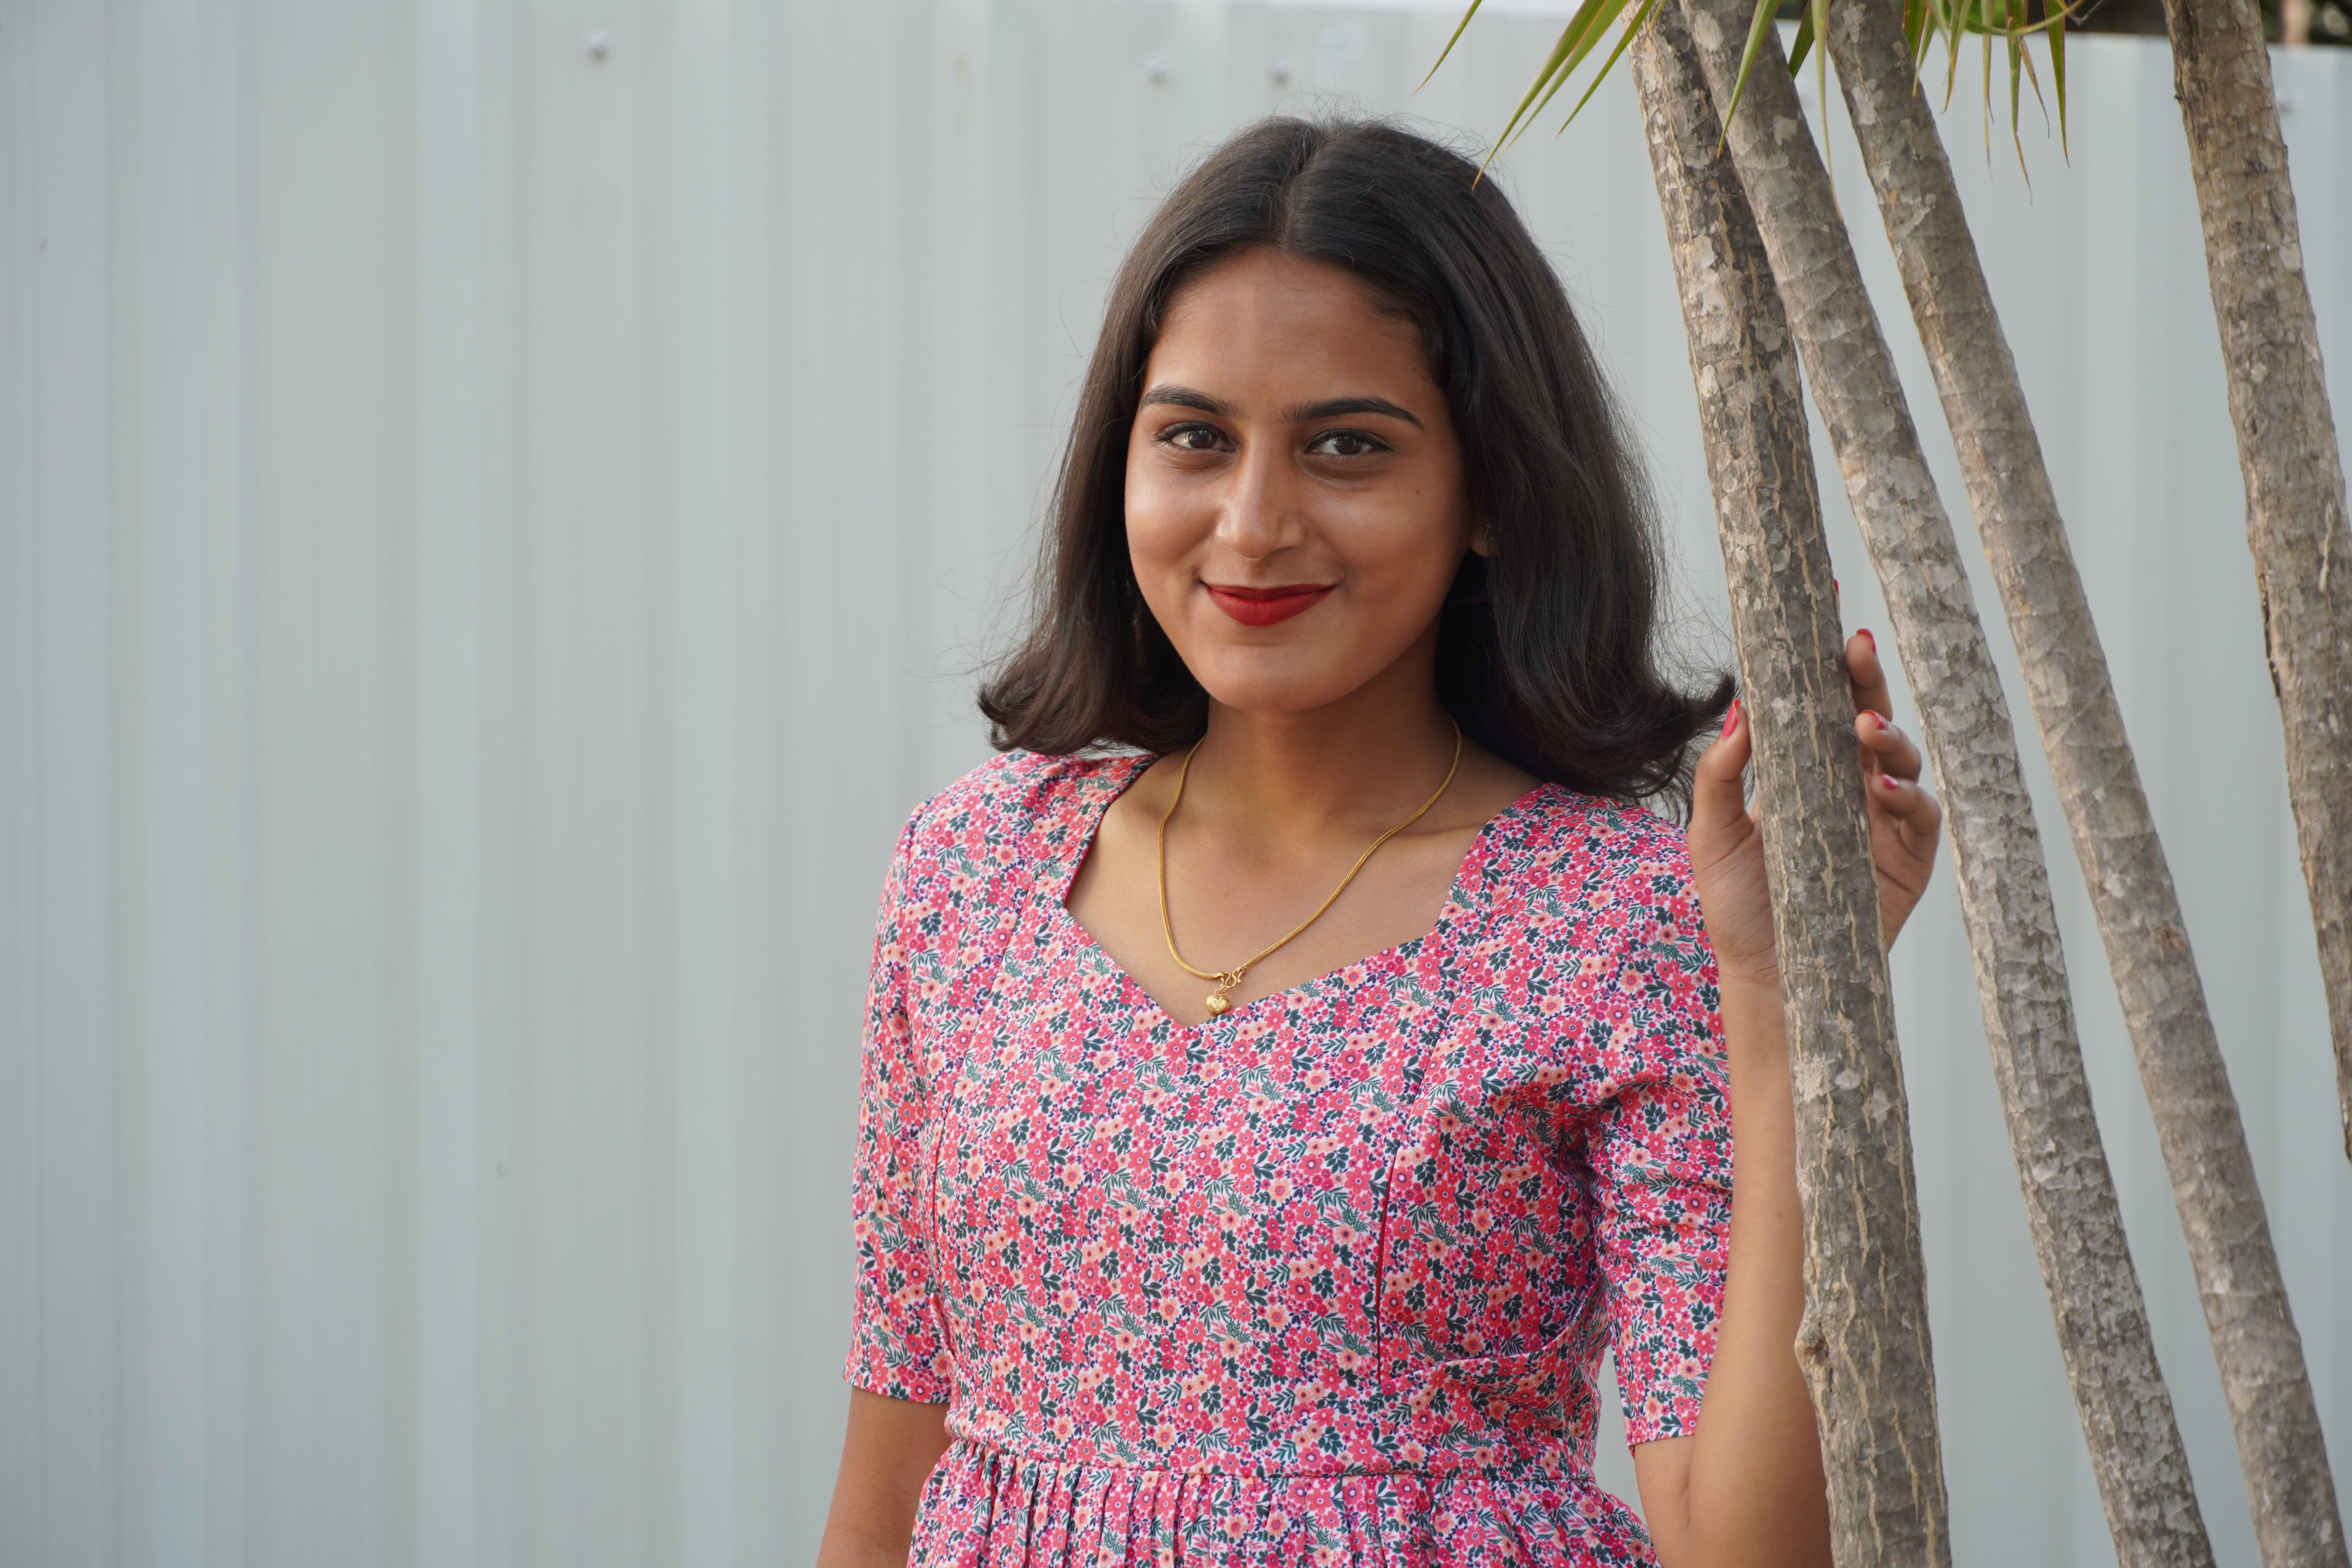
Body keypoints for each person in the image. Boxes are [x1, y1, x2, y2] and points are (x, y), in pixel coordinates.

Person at [815, 117, 1940, 1567]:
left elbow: (1745, 1551)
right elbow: (888, 1482)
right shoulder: (973, 871)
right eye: (1195, 437)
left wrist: (1782, 1005)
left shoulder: (1621, 919)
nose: (1252, 523)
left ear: (1491, 491)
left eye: (1346, 446)